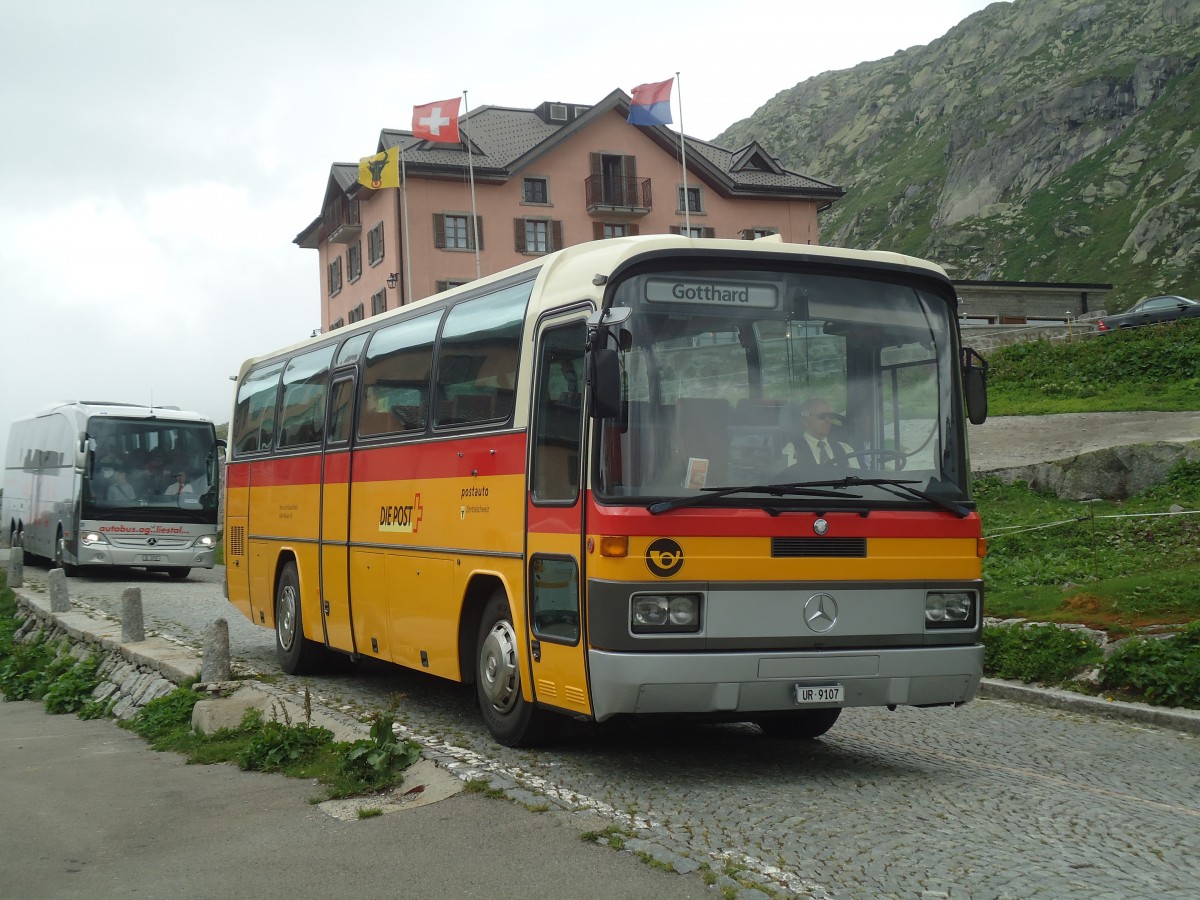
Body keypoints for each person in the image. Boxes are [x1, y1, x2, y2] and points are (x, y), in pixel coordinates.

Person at [781, 398, 859, 469]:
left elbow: (857, 482)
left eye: (830, 416)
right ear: (805, 420)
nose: (828, 420)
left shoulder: (845, 449)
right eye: (822, 416)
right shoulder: (792, 451)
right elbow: (788, 481)